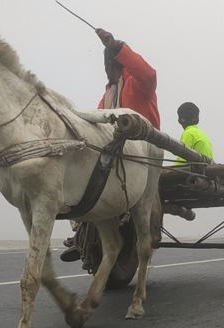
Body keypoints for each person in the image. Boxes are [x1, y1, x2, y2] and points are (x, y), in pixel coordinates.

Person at [62, 28, 161, 261]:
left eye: (107, 67)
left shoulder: (138, 84)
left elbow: (149, 74)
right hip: (118, 151)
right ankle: (83, 232)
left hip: (142, 151)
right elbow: (98, 120)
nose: (105, 72)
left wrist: (117, 47)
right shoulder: (108, 94)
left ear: (111, 65)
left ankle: (90, 237)